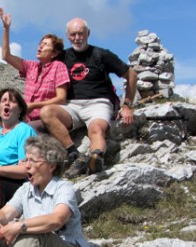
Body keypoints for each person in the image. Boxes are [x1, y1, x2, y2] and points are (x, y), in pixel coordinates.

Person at [41, 17, 138, 178]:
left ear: (88, 33)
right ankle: (76, 156)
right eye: (73, 35)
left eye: (81, 34)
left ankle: (96, 159)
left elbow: (132, 75)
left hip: (98, 103)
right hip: (71, 105)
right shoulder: (62, 58)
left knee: (96, 129)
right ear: (67, 35)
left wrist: (127, 105)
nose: (77, 38)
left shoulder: (102, 55)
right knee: (47, 112)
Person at [0, 7, 70, 133]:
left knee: (27, 129)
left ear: (54, 53)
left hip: (43, 118)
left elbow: (61, 98)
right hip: (26, 116)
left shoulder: (58, 67)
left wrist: (33, 106)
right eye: (41, 43)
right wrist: (6, 29)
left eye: (46, 44)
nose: (40, 46)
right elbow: (6, 55)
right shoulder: (31, 66)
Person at [0, 88, 37, 203]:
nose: (7, 103)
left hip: (13, 183)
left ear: (20, 110)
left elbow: (25, 170)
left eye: (12, 101)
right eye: (3, 101)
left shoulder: (24, 130)